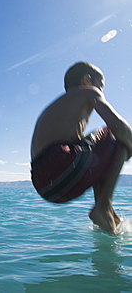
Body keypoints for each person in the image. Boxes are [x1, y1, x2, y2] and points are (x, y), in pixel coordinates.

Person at [30, 62, 132, 235]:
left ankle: (108, 213)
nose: (101, 90)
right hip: (60, 164)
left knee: (96, 148)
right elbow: (119, 127)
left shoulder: (58, 106)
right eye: (101, 85)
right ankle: (103, 207)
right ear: (87, 80)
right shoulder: (89, 92)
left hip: (43, 182)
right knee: (114, 137)